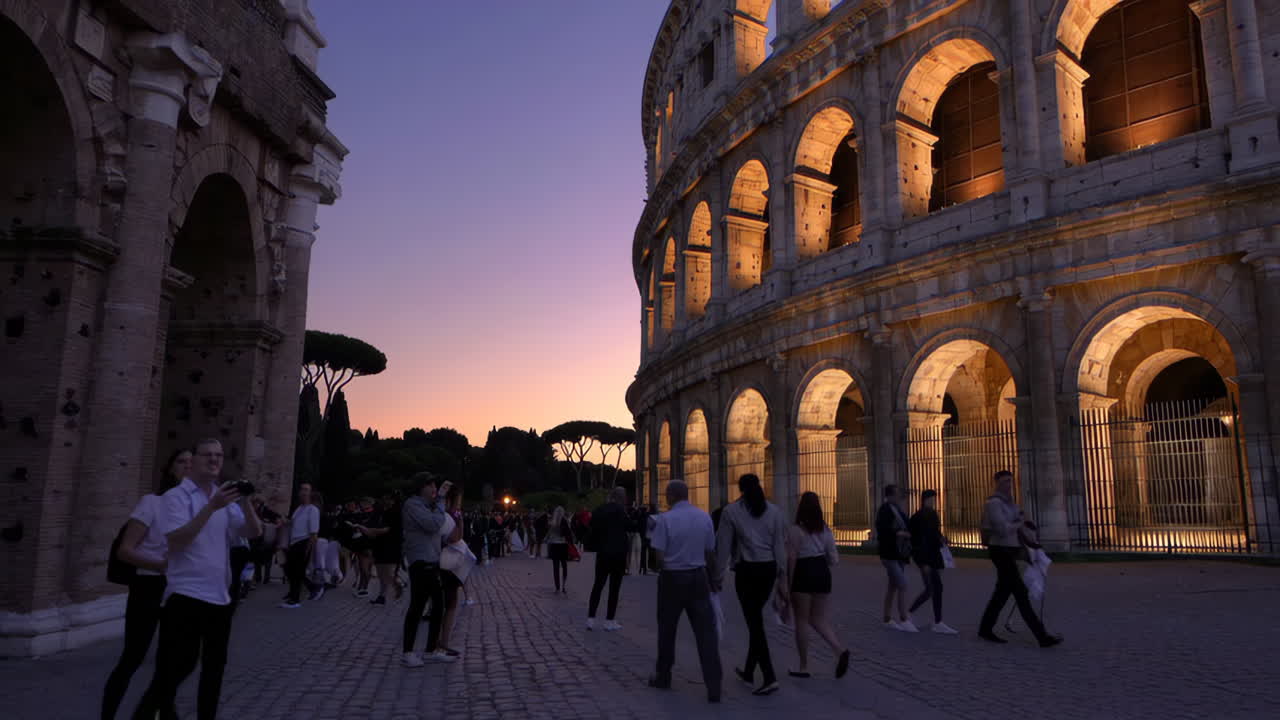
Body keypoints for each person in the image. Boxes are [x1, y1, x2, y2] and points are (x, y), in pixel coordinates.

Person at [131, 438, 261, 720]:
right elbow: (177, 541)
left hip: (220, 596)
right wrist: (210, 508)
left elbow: (253, 533)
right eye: (207, 455)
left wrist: (247, 501)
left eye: (219, 455)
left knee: (214, 672)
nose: (214, 460)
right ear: (194, 461)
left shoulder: (224, 498)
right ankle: (145, 714)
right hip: (185, 595)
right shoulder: (175, 498)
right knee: (176, 667)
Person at [101, 448, 189, 720]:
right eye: (181, 462)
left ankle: (160, 712)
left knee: (173, 661)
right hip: (148, 587)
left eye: (191, 463)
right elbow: (125, 551)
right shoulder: (152, 503)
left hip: (178, 591)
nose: (187, 467)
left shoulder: (195, 510)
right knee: (133, 658)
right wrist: (160, 564)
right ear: (170, 469)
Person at [649, 480, 721, 704]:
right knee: (706, 633)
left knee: (667, 629)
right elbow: (710, 553)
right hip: (698, 576)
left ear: (670, 496)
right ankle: (714, 685)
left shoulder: (664, 520)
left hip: (672, 577)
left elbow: (658, 557)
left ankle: (664, 675)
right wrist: (714, 578)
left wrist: (659, 566)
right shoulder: (704, 517)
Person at [716, 474, 788, 696]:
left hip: (747, 571)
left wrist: (717, 576)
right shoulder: (775, 512)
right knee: (755, 618)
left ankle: (769, 676)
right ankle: (748, 671)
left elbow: (724, 547)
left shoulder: (731, 512)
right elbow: (779, 546)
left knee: (754, 623)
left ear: (740, 489)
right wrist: (782, 577)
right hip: (768, 570)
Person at [978, 471, 1063, 648]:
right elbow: (1002, 529)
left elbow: (1020, 527)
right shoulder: (993, 503)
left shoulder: (1011, 504)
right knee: (1020, 593)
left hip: (1012, 551)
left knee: (1001, 593)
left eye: (1010, 481)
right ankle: (1042, 636)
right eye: (1004, 482)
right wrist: (1019, 522)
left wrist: (1030, 539)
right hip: (999, 550)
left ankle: (985, 628)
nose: (1008, 485)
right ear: (996, 483)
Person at [786, 491, 850, 680]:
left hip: (803, 572)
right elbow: (834, 558)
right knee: (818, 618)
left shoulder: (795, 530)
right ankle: (839, 649)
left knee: (801, 621)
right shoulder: (825, 529)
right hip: (822, 572)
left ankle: (804, 665)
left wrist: (788, 584)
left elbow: (791, 558)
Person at [401, 473, 456, 667]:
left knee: (438, 605)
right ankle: (408, 652)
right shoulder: (413, 505)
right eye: (430, 485)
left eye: (435, 484)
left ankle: (431, 649)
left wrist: (440, 499)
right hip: (420, 561)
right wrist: (440, 503)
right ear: (420, 487)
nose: (434, 487)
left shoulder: (428, 506)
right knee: (417, 605)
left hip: (431, 560)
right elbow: (433, 524)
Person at [908, 489, 956, 634]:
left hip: (934, 556)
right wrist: (922, 562)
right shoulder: (917, 517)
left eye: (934, 499)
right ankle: (932, 621)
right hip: (924, 558)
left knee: (934, 589)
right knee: (933, 589)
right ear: (924, 500)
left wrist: (942, 539)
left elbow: (935, 532)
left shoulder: (933, 515)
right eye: (931, 499)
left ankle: (934, 620)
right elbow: (915, 541)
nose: (933, 502)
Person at [586, 487, 631, 631]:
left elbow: (591, 526)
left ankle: (591, 619)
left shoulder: (600, 510)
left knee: (598, 585)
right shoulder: (621, 511)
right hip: (618, 554)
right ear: (621, 498)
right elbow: (630, 526)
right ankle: (609, 620)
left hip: (603, 552)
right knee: (614, 588)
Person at [875, 485, 916, 632]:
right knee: (902, 584)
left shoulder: (898, 510)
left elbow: (908, 525)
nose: (900, 497)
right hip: (889, 554)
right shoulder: (885, 510)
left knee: (892, 586)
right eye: (897, 494)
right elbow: (883, 530)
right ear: (890, 495)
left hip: (900, 553)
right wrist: (900, 534)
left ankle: (887, 618)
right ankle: (904, 618)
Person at [280, 482, 319, 608]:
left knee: (297, 571)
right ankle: (308, 589)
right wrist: (286, 522)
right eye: (301, 489)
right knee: (290, 569)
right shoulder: (298, 509)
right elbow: (293, 524)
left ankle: (295, 599)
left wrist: (309, 549)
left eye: (306, 489)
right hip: (294, 542)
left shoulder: (313, 510)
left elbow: (314, 533)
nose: (303, 492)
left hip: (304, 541)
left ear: (310, 493)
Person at [437, 484, 465, 656]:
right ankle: (443, 642)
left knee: (445, 603)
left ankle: (442, 641)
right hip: (447, 562)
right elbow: (456, 537)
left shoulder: (439, 513)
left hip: (441, 560)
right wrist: (460, 522)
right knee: (449, 604)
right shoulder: (449, 515)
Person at [546, 506, 572, 593]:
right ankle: (564, 585)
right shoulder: (565, 521)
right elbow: (568, 534)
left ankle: (557, 586)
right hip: (563, 545)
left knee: (555, 567)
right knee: (564, 565)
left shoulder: (552, 523)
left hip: (554, 545)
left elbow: (549, 535)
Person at [638, 504, 653, 575]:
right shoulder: (648, 517)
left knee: (643, 553)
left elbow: (638, 527)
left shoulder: (640, 517)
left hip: (642, 537)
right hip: (648, 537)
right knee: (649, 552)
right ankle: (648, 567)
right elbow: (651, 526)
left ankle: (642, 568)